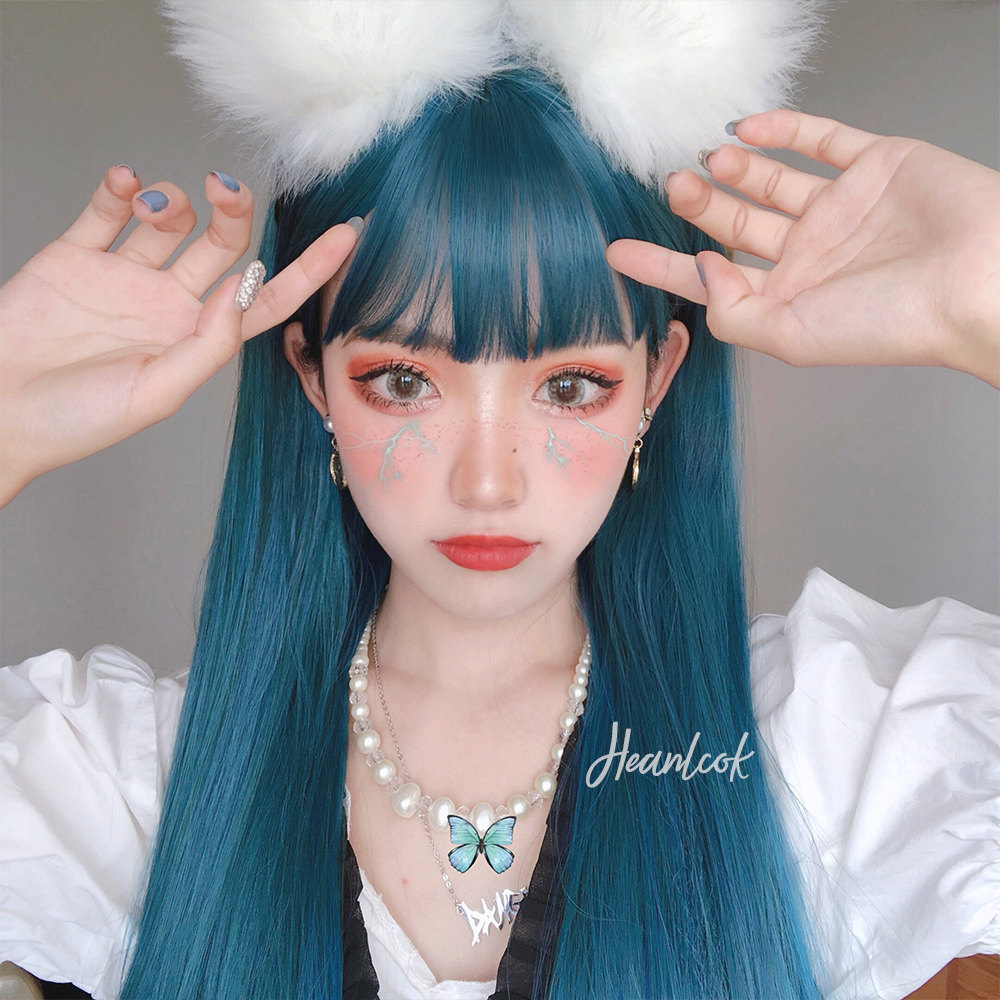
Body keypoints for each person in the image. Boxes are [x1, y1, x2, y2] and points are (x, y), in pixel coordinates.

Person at [1, 4, 997, 1000]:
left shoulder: (821, 754)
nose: (487, 481)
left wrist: (982, 295)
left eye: (570, 385)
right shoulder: (131, 789)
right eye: (403, 380)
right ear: (312, 376)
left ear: (657, 380)